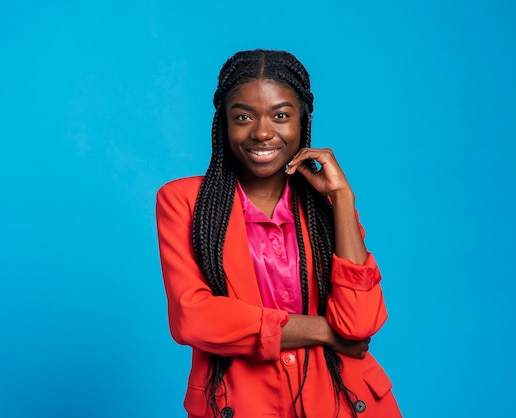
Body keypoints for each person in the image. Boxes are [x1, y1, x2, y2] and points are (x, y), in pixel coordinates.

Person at [156, 49, 401, 418]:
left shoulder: (328, 209)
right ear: (223, 122)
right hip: (240, 404)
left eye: (281, 115)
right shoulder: (184, 202)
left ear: (303, 121)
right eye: (243, 117)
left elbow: (360, 323)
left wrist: (342, 197)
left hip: (346, 403)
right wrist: (323, 332)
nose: (263, 132)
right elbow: (194, 318)